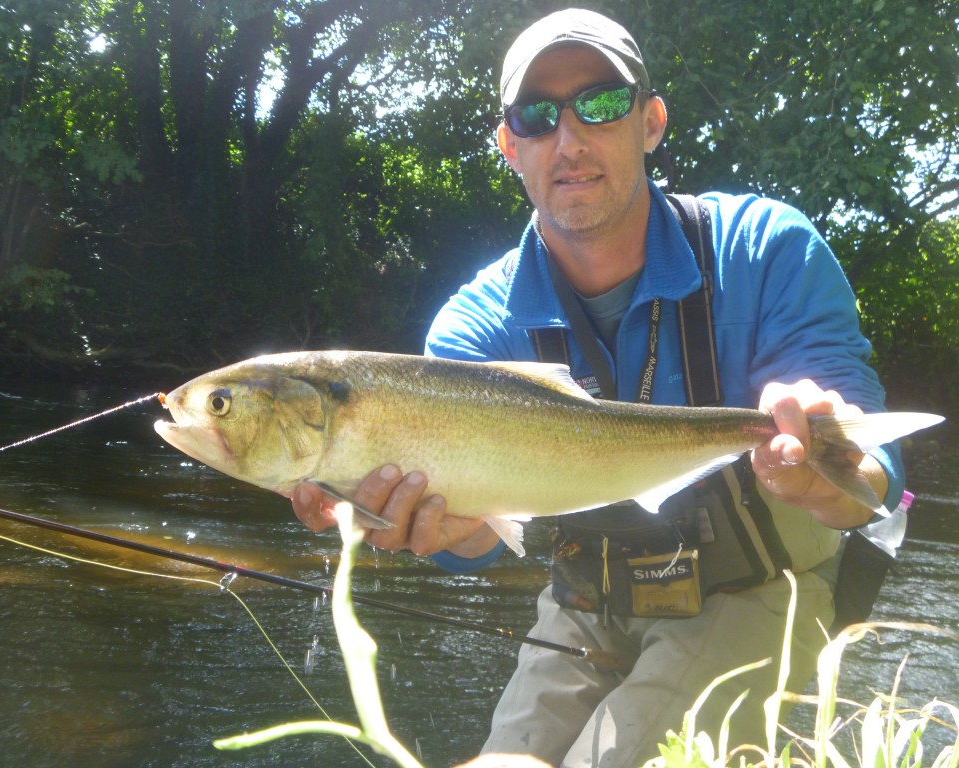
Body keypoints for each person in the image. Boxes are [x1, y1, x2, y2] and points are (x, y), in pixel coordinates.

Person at [291, 8, 906, 767]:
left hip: (761, 589)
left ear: (650, 121)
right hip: (587, 603)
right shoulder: (474, 329)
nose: (571, 139)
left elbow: (871, 482)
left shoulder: (766, 248)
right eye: (538, 115)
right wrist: (445, 530)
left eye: (603, 104)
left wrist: (822, 471)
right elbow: (479, 535)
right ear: (509, 146)